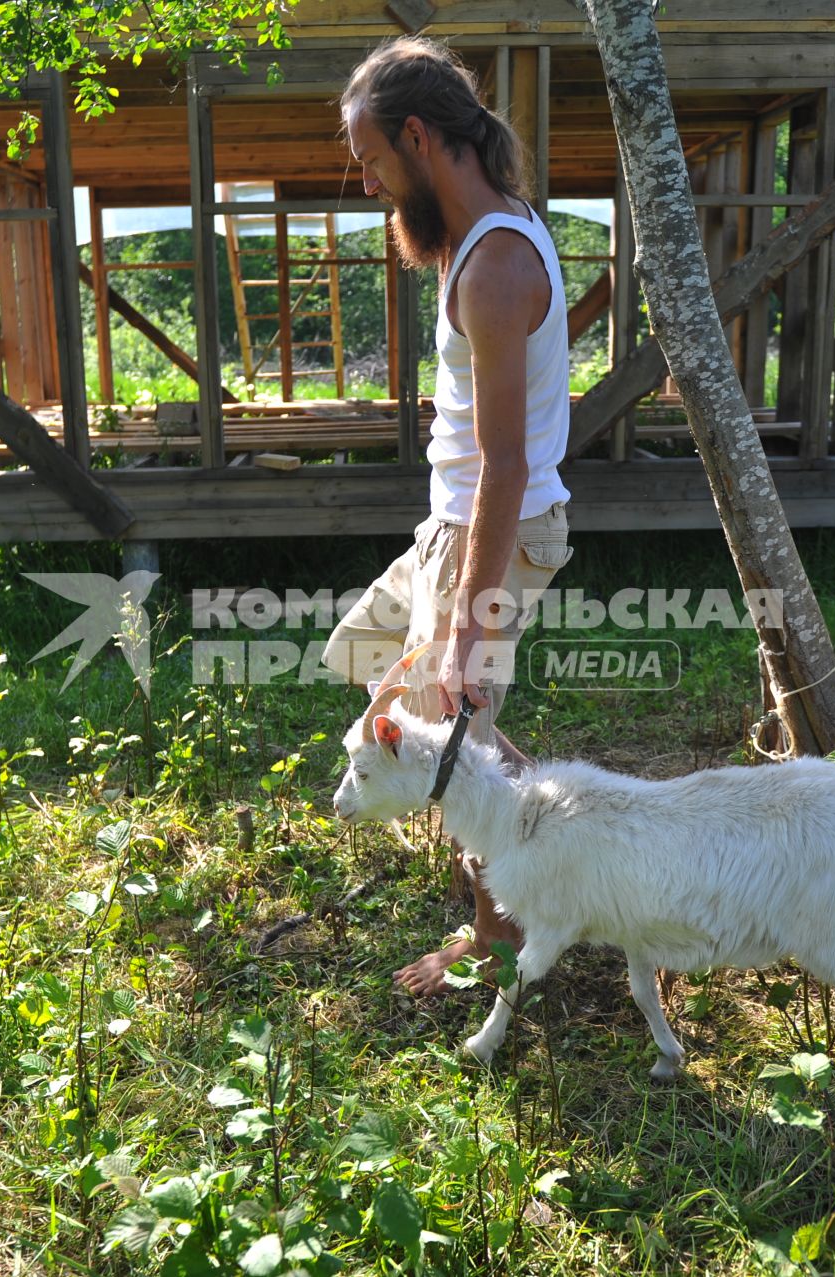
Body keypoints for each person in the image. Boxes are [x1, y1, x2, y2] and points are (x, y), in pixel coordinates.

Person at [322, 37, 574, 997]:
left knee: (447, 740)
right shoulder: (485, 240)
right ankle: (540, 807)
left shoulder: (495, 266)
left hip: (489, 535)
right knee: (364, 659)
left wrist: (468, 623)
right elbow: (522, 414)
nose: (372, 184)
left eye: (373, 161)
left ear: (419, 138)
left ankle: (502, 937)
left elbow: (508, 465)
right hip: (457, 524)